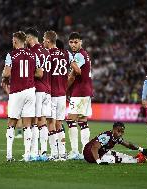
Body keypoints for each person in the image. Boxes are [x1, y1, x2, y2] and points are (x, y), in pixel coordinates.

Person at [1, 31, 43, 162]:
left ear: (15, 41)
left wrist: (6, 76)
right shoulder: (33, 54)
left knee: (11, 122)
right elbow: (40, 73)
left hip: (17, 91)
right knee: (27, 124)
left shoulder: (11, 55)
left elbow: (7, 74)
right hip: (30, 91)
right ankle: (27, 155)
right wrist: (29, 75)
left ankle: (9, 155)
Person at [43, 31, 80, 160]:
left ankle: (54, 153)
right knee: (59, 123)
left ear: (48, 40)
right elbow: (76, 70)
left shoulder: (47, 54)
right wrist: (66, 84)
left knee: (50, 122)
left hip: (51, 93)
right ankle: (63, 153)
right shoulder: (66, 54)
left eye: (44, 40)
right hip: (62, 94)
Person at [25, 27, 52, 160]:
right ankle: (43, 152)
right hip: (47, 89)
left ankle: (34, 153)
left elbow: (38, 72)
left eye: (26, 38)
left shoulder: (32, 52)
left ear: (29, 38)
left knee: (34, 121)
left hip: (38, 89)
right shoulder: (46, 51)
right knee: (42, 121)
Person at [66, 32, 93, 160]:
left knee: (70, 120)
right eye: (71, 42)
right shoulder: (85, 55)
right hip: (86, 91)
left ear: (81, 42)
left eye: (76, 42)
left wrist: (64, 89)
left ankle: (75, 151)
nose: (73, 44)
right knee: (82, 121)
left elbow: (74, 73)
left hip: (80, 91)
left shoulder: (79, 55)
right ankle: (85, 152)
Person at [83, 122, 147, 164]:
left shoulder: (116, 137)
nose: (120, 134)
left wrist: (141, 149)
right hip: (90, 154)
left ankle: (133, 158)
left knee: (116, 153)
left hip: (100, 151)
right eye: (118, 131)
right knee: (116, 159)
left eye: (122, 132)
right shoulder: (106, 136)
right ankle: (137, 160)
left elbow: (128, 145)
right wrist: (98, 161)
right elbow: (94, 148)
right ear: (113, 130)